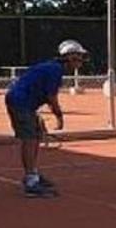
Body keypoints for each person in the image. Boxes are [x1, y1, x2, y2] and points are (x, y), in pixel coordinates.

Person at [5, 40, 88, 197]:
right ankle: (31, 182)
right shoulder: (55, 71)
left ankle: (33, 175)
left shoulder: (54, 68)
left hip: (25, 103)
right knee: (29, 139)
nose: (81, 61)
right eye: (79, 57)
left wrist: (36, 114)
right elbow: (51, 98)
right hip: (20, 102)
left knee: (35, 137)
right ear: (70, 57)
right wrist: (59, 117)